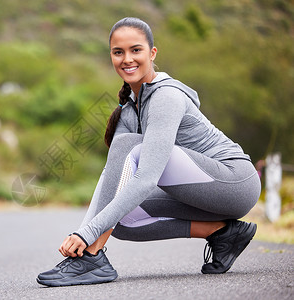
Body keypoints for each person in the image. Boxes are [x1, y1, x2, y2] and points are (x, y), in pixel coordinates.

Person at [36, 17, 261, 287]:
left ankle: (90, 257)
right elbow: (112, 176)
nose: (127, 59)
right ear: (111, 56)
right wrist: (87, 230)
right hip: (201, 192)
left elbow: (146, 178)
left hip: (234, 182)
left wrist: (86, 236)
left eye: (136, 50)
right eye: (118, 52)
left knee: (125, 156)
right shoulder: (130, 109)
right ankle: (223, 233)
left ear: (152, 53)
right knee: (120, 219)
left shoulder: (166, 97)